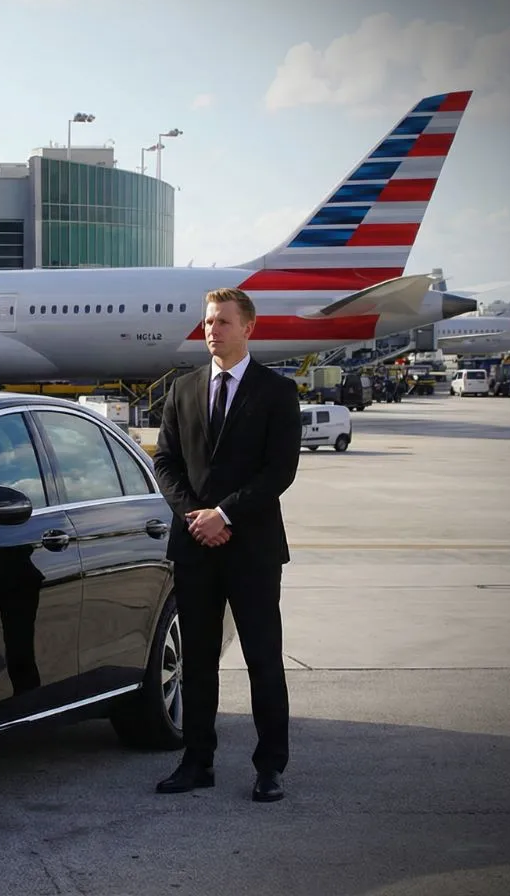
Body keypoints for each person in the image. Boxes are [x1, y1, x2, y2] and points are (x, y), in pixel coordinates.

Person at [150, 287, 302, 803]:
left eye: (223, 322)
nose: (212, 330)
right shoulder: (183, 388)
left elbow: (280, 471)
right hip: (195, 545)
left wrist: (225, 513)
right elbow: (165, 462)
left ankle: (270, 766)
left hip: (252, 548)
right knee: (197, 661)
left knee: (263, 659)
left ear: (248, 328)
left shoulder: (276, 392)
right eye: (209, 321)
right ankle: (197, 761)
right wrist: (195, 517)